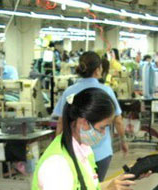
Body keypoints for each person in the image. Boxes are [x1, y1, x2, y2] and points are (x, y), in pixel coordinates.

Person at [30, 88, 134, 190]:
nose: (104, 133)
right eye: (102, 127)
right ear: (84, 123)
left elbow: (88, 189)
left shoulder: (82, 148)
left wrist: (120, 181)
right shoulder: (57, 163)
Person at [53, 51, 128, 181]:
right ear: (98, 70)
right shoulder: (107, 91)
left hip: (74, 151)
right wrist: (123, 140)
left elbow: (61, 122)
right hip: (101, 153)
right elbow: (118, 120)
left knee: (78, 185)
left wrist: (57, 147)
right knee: (97, 186)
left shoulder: (69, 92)